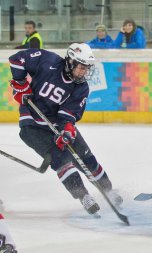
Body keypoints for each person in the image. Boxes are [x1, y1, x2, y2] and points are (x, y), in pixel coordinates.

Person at [8, 43, 122, 215]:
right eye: (81, 67)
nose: (84, 72)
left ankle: (108, 190)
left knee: (86, 157)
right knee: (61, 160)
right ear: (70, 62)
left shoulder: (81, 87)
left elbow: (68, 115)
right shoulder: (47, 60)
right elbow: (17, 59)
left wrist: (67, 131)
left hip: (55, 123)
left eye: (86, 68)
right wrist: (20, 83)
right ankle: (84, 196)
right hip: (32, 124)